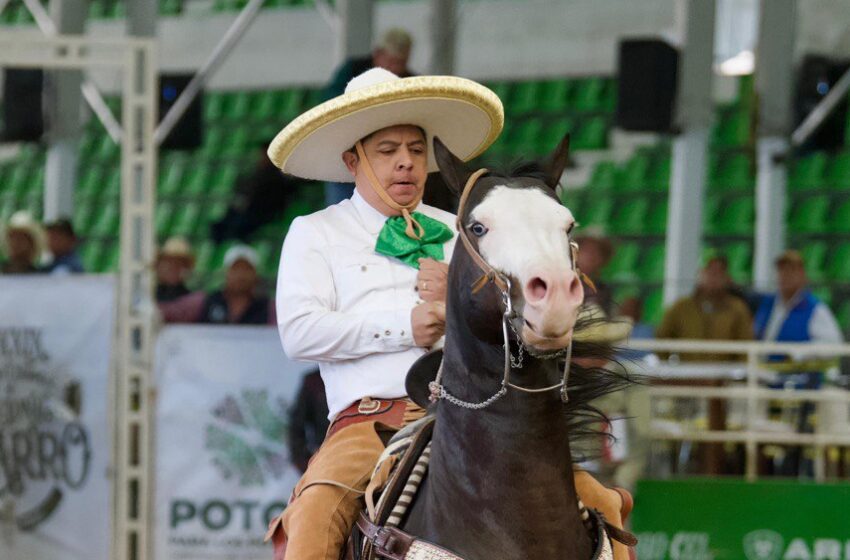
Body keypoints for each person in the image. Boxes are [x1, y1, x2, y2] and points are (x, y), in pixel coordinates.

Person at [264, 68, 629, 560]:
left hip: (482, 414)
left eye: (416, 150)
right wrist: (406, 324)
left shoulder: (466, 227)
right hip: (370, 422)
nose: (406, 164)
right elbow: (299, 335)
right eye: (387, 151)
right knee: (314, 515)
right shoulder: (316, 231)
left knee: (602, 503)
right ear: (354, 160)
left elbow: (514, 316)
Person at [753, 249, 843, 476]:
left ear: (803, 275)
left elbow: (834, 344)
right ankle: (751, 471)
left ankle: (793, 470)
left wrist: (799, 353)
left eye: (791, 271)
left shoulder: (815, 309)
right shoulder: (767, 305)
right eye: (782, 270)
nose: (785, 276)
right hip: (765, 382)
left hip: (798, 386)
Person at [323, 28, 415, 207]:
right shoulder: (352, 70)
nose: (395, 68)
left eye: (400, 63)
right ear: (378, 54)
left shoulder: (411, 81)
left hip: (387, 160)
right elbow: (329, 104)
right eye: (391, 61)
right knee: (342, 209)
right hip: (348, 149)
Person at [656, 254, 753, 362]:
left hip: (723, 375)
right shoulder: (681, 307)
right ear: (701, 274)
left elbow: (745, 348)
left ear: (727, 278)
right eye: (710, 272)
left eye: (719, 273)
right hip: (687, 373)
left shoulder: (738, 309)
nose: (714, 278)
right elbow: (662, 340)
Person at [158, 244, 275, 325]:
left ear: (256, 275)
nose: (240, 275)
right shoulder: (203, 302)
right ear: (226, 273)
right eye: (235, 269)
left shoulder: (269, 309)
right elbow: (167, 313)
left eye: (247, 269)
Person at [210, 140, 298, 244]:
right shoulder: (257, 172)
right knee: (222, 223)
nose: (262, 157)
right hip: (248, 209)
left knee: (240, 223)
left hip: (264, 211)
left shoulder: (278, 176)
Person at [288, 369, 330, 474]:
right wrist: (306, 464)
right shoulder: (313, 382)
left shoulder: (358, 374)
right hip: (328, 458)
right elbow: (296, 426)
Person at [575, 226, 615, 315]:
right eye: (586, 250)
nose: (591, 256)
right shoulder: (560, 283)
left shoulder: (603, 289)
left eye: (598, 252)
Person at [155, 236, 195, 303]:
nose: (173, 268)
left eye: (179, 263)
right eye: (169, 262)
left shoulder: (190, 299)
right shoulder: (150, 294)